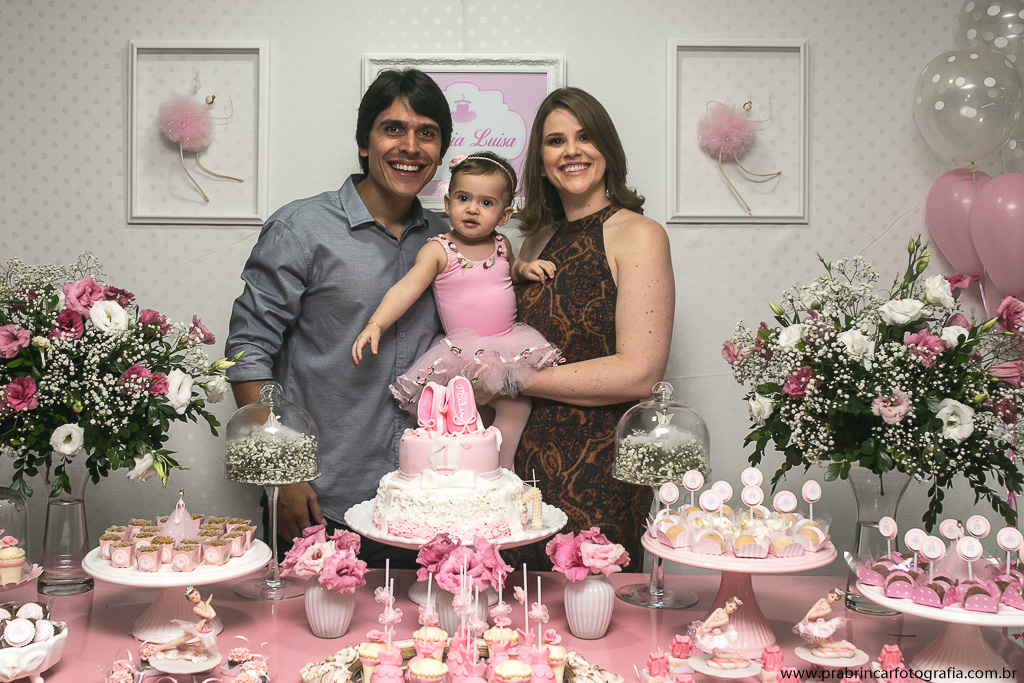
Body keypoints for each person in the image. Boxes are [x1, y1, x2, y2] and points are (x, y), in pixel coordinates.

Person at [225, 69, 453, 567]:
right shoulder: (302, 228)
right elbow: (247, 352)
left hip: (425, 505)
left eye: (427, 133)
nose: (410, 146)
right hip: (318, 500)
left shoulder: (449, 242)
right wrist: (283, 472)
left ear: (440, 153)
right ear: (364, 143)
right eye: (393, 129)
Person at [511, 87, 675, 571]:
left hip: (601, 467)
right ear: (541, 163)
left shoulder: (639, 234)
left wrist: (513, 379)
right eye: (555, 141)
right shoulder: (535, 241)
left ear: (607, 148)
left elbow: (639, 373)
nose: (572, 151)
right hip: (520, 467)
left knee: (593, 603)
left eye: (585, 137)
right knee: (518, 606)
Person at [352, 151, 562, 468]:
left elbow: (512, 268)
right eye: (464, 198)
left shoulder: (501, 244)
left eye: (486, 203)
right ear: (448, 203)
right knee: (466, 416)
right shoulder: (439, 250)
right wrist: (375, 324)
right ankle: (476, 472)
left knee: (516, 407)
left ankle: (500, 470)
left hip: (507, 345)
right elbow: (406, 288)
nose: (473, 209)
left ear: (504, 215)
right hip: (463, 354)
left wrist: (525, 268)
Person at [154, 586, 218, 660]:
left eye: (196, 594)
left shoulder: (204, 603)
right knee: (183, 639)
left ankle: (183, 647)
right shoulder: (196, 608)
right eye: (193, 598)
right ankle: (163, 647)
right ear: (190, 600)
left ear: (198, 592)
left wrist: (205, 619)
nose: (196, 597)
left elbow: (213, 615)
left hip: (208, 629)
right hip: (200, 628)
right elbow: (208, 615)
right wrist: (207, 605)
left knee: (201, 650)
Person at [794, 587, 856, 657]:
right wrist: (806, 616)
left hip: (820, 624)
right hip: (817, 622)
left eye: (835, 600)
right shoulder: (822, 600)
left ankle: (844, 646)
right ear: (828, 593)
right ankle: (842, 644)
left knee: (823, 644)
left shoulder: (828, 609)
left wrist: (807, 617)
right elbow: (813, 609)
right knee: (821, 643)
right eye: (832, 597)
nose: (832, 600)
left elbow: (815, 615)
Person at [689, 597, 749, 668]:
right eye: (730, 606)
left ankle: (739, 656)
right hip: (710, 630)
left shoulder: (726, 619)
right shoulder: (719, 610)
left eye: (733, 609)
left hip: (716, 633)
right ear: (727, 603)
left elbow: (713, 624)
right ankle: (730, 657)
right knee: (715, 654)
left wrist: (704, 628)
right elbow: (710, 619)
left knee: (718, 655)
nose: (731, 610)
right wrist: (703, 627)